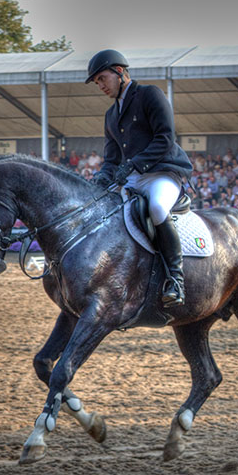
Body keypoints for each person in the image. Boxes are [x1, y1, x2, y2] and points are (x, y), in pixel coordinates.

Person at [86, 49, 193, 307]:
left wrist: (134, 163)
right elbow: (112, 159)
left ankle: (176, 280)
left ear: (120, 72)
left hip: (161, 172)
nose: (100, 85)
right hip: (132, 178)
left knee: (156, 207)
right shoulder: (111, 115)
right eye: (97, 82)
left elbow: (166, 137)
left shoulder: (149, 94)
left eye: (102, 78)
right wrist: (102, 177)